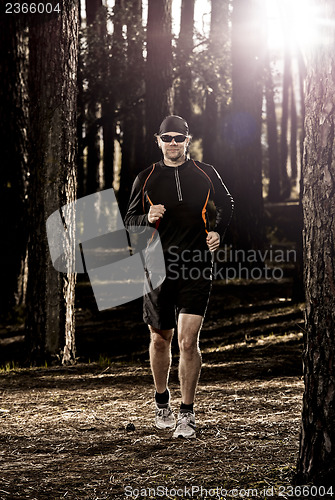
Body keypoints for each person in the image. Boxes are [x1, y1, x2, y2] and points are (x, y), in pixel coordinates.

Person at [124, 115, 234, 439]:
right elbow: (130, 221)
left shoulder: (206, 173)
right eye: (167, 138)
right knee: (161, 339)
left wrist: (217, 231)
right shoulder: (146, 178)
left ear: (188, 140)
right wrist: (147, 215)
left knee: (188, 342)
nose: (173, 143)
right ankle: (162, 402)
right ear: (158, 141)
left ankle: (187, 414)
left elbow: (227, 203)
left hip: (197, 265)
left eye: (179, 138)